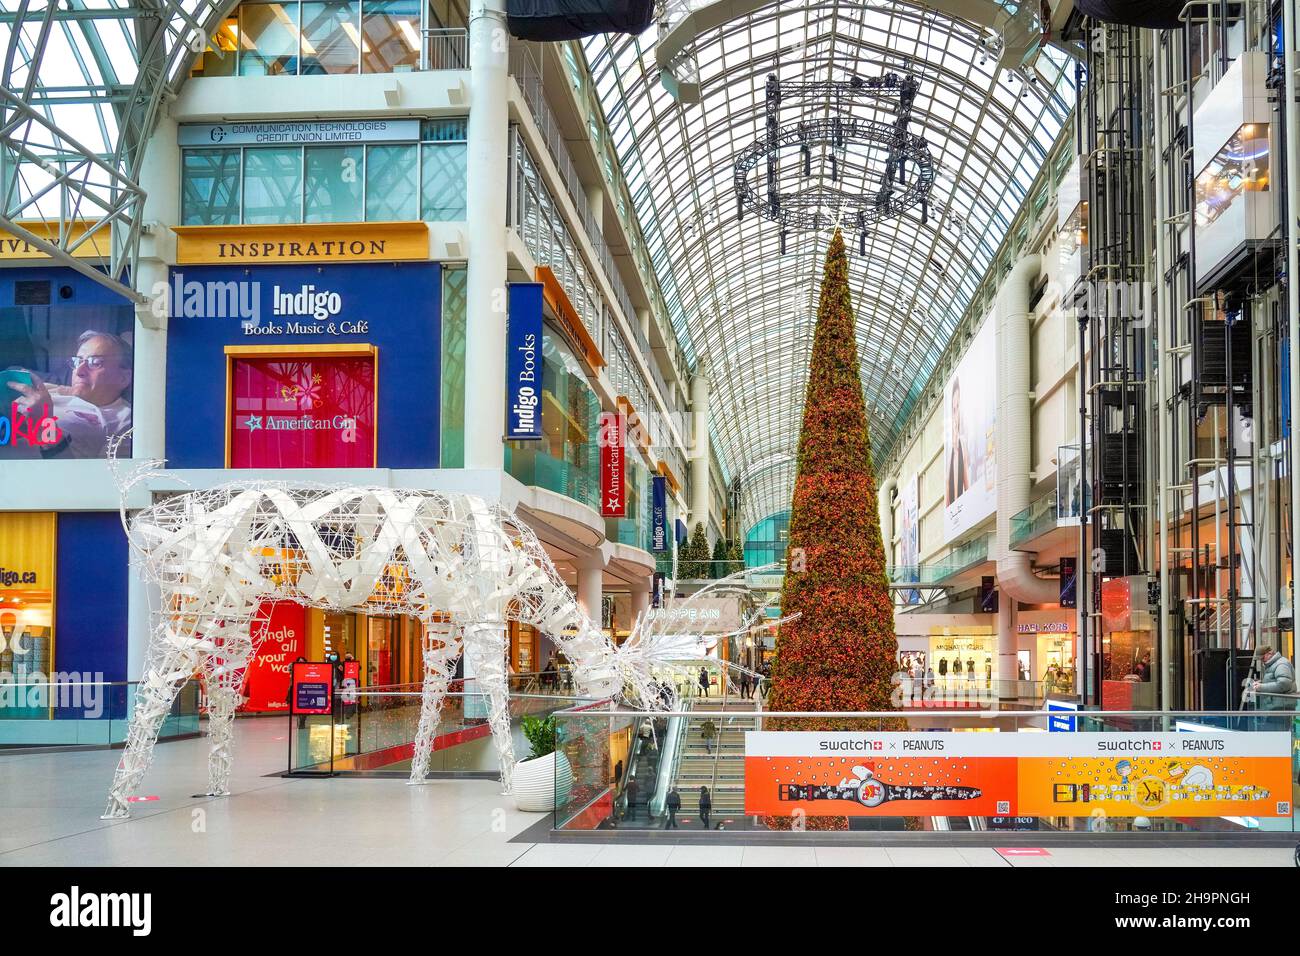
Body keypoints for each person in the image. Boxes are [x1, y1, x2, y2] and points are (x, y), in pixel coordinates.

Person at [5, 330, 134, 459]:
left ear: (123, 378)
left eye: (95, 363)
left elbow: (89, 478)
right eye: (77, 362)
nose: (79, 371)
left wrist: (43, 425)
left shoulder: (126, 421)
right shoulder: (51, 390)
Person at [1252, 646, 1296, 710]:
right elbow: (1277, 680)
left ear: (1269, 653)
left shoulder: (1281, 664)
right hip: (1278, 705)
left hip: (1281, 707)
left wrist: (1261, 687)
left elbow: (1284, 684)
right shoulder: (1274, 664)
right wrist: (1262, 682)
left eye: (1262, 658)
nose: (1262, 661)